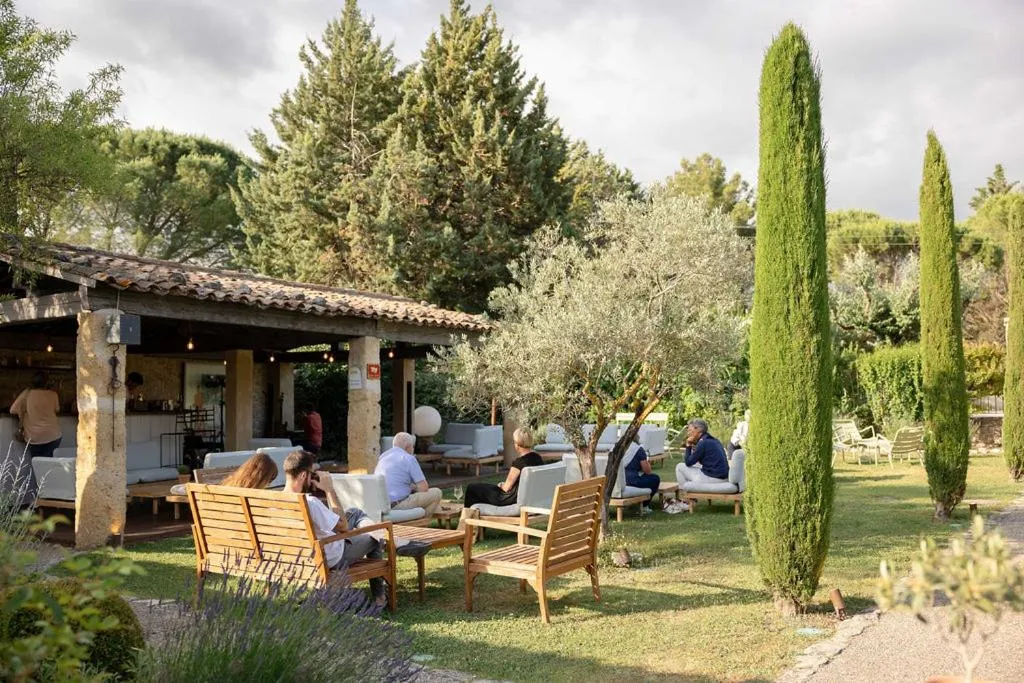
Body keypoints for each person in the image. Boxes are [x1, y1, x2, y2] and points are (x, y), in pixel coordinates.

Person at [283, 450, 387, 607]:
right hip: (330, 555)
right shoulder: (310, 503)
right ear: (303, 475)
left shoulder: (275, 500)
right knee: (373, 535)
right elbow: (343, 526)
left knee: (354, 513)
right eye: (312, 474)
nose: (313, 479)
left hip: (299, 555)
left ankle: (367, 531)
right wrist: (329, 489)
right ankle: (380, 597)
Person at [463, 427, 543, 509]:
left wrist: (501, 485)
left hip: (509, 499)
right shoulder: (538, 458)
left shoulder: (519, 462)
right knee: (484, 489)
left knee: (472, 488)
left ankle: (467, 515)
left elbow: (506, 488)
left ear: (517, 444)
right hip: (527, 497)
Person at [375, 432, 442, 518]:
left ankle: (420, 519)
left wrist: (410, 487)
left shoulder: (383, 457)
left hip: (382, 505)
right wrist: (415, 488)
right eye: (412, 447)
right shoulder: (408, 458)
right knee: (436, 492)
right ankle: (423, 521)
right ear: (408, 447)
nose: (413, 449)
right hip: (398, 505)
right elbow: (424, 488)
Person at [10, 372, 62, 458]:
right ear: (46, 382)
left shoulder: (26, 394)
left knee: (37, 463)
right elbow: (57, 409)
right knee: (49, 463)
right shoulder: (53, 394)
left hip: (34, 437)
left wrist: (25, 411)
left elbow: (12, 410)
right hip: (53, 435)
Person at [676, 418, 730, 486]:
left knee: (679, 467)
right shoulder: (713, 440)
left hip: (714, 479)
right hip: (725, 478)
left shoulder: (702, 442)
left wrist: (688, 445)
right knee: (696, 465)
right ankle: (692, 487)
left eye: (690, 430)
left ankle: (685, 489)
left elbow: (688, 462)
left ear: (698, 430)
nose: (688, 433)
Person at [624, 436, 660, 513]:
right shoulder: (638, 449)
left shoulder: (616, 448)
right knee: (655, 478)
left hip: (618, 482)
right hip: (632, 481)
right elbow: (647, 471)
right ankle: (644, 506)